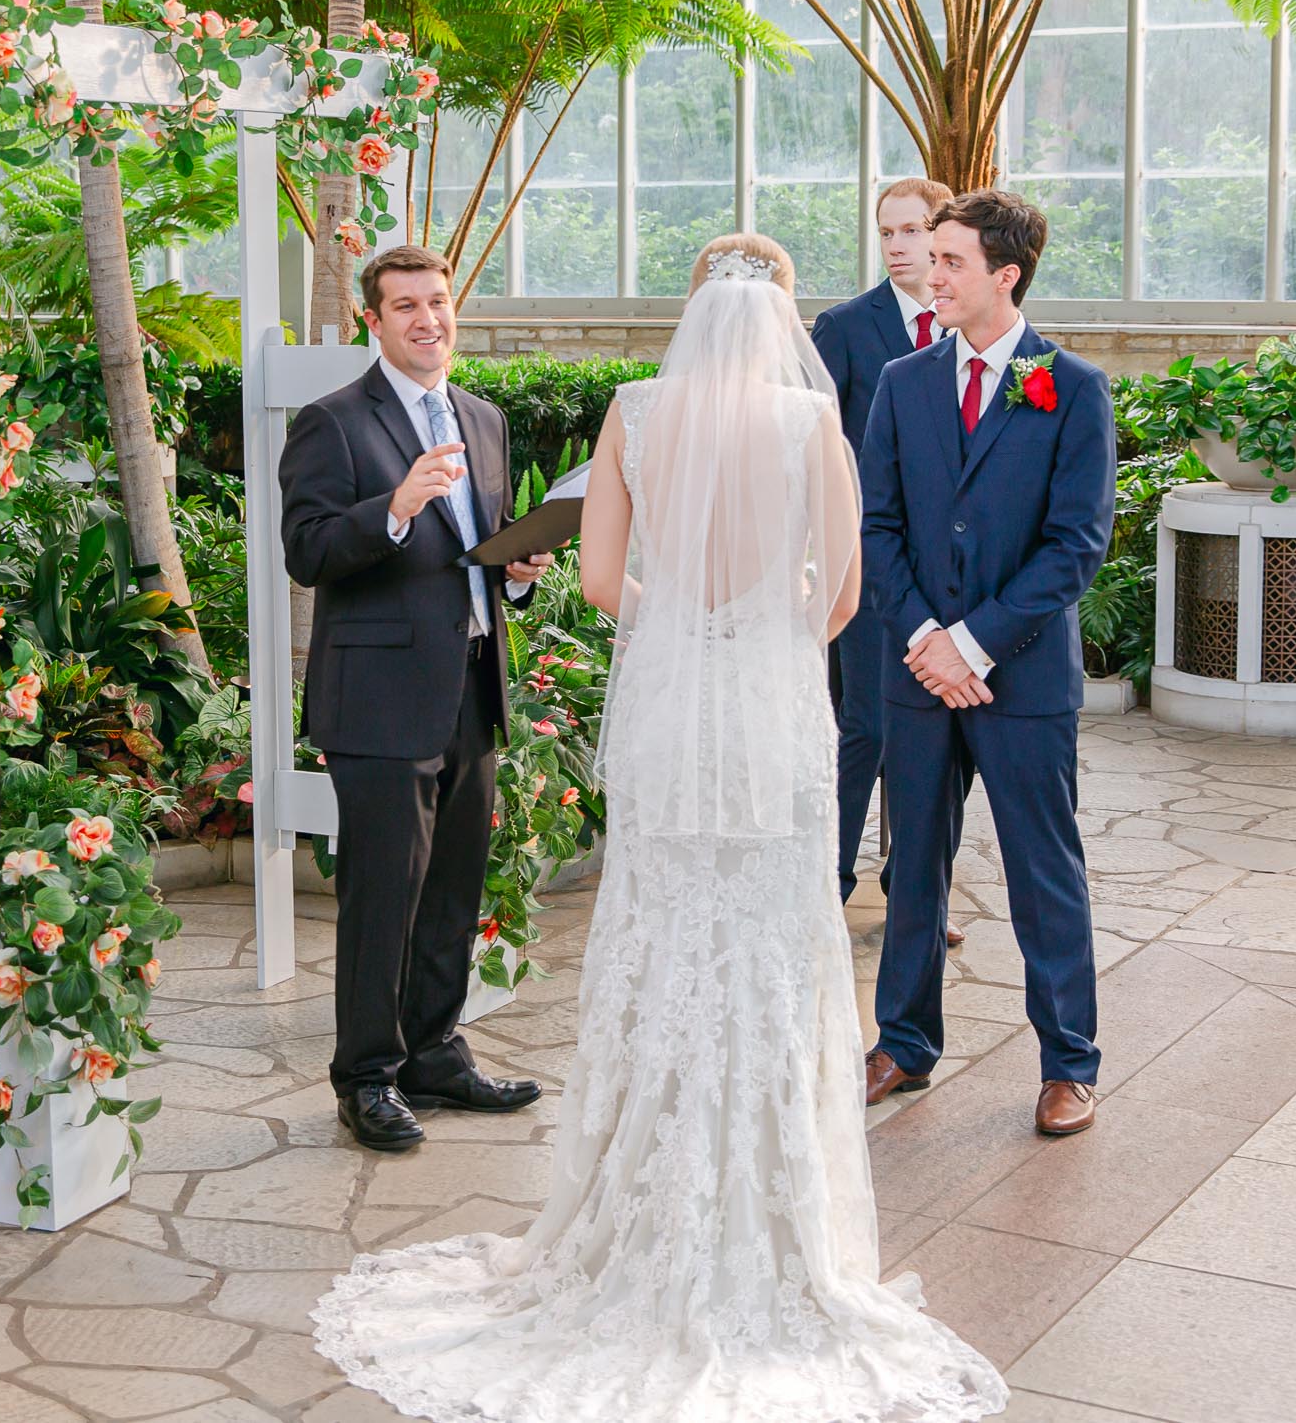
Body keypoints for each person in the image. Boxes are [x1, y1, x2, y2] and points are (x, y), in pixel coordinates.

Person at [312, 234, 1008, 1423]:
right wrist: (757, 618)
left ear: (692, 311)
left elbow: (595, 579)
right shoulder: (811, 421)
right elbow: (839, 598)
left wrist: (681, 618)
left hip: (674, 706)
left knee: (662, 935)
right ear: (781, 315)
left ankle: (636, 1193)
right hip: (770, 712)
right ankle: (775, 1219)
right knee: (776, 950)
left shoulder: (635, 412)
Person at [279, 244, 553, 1154]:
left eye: (438, 302)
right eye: (407, 306)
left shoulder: (482, 417)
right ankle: (365, 1077)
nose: (428, 319)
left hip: (471, 688)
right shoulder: (333, 422)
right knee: (381, 899)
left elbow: (479, 553)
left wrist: (518, 572)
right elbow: (308, 551)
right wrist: (392, 508)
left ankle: (433, 1052)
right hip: (380, 700)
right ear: (375, 320)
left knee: (450, 892)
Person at [858, 190, 1115, 1136]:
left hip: (1023, 677)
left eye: (953, 259)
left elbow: (1075, 544)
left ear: (1005, 275)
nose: (933, 273)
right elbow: (876, 523)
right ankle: (902, 1041)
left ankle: (1068, 1062)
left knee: (1044, 868)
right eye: (933, 256)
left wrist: (973, 643)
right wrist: (927, 638)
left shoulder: (1073, 387)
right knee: (913, 862)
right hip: (918, 676)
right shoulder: (904, 379)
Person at [813, 176, 968, 946]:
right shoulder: (844, 327)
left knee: (939, 739)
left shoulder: (967, 326)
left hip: (954, 577)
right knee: (864, 729)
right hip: (868, 569)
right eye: (888, 232)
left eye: (913, 231)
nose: (900, 246)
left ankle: (918, 896)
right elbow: (811, 445)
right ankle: (825, 890)